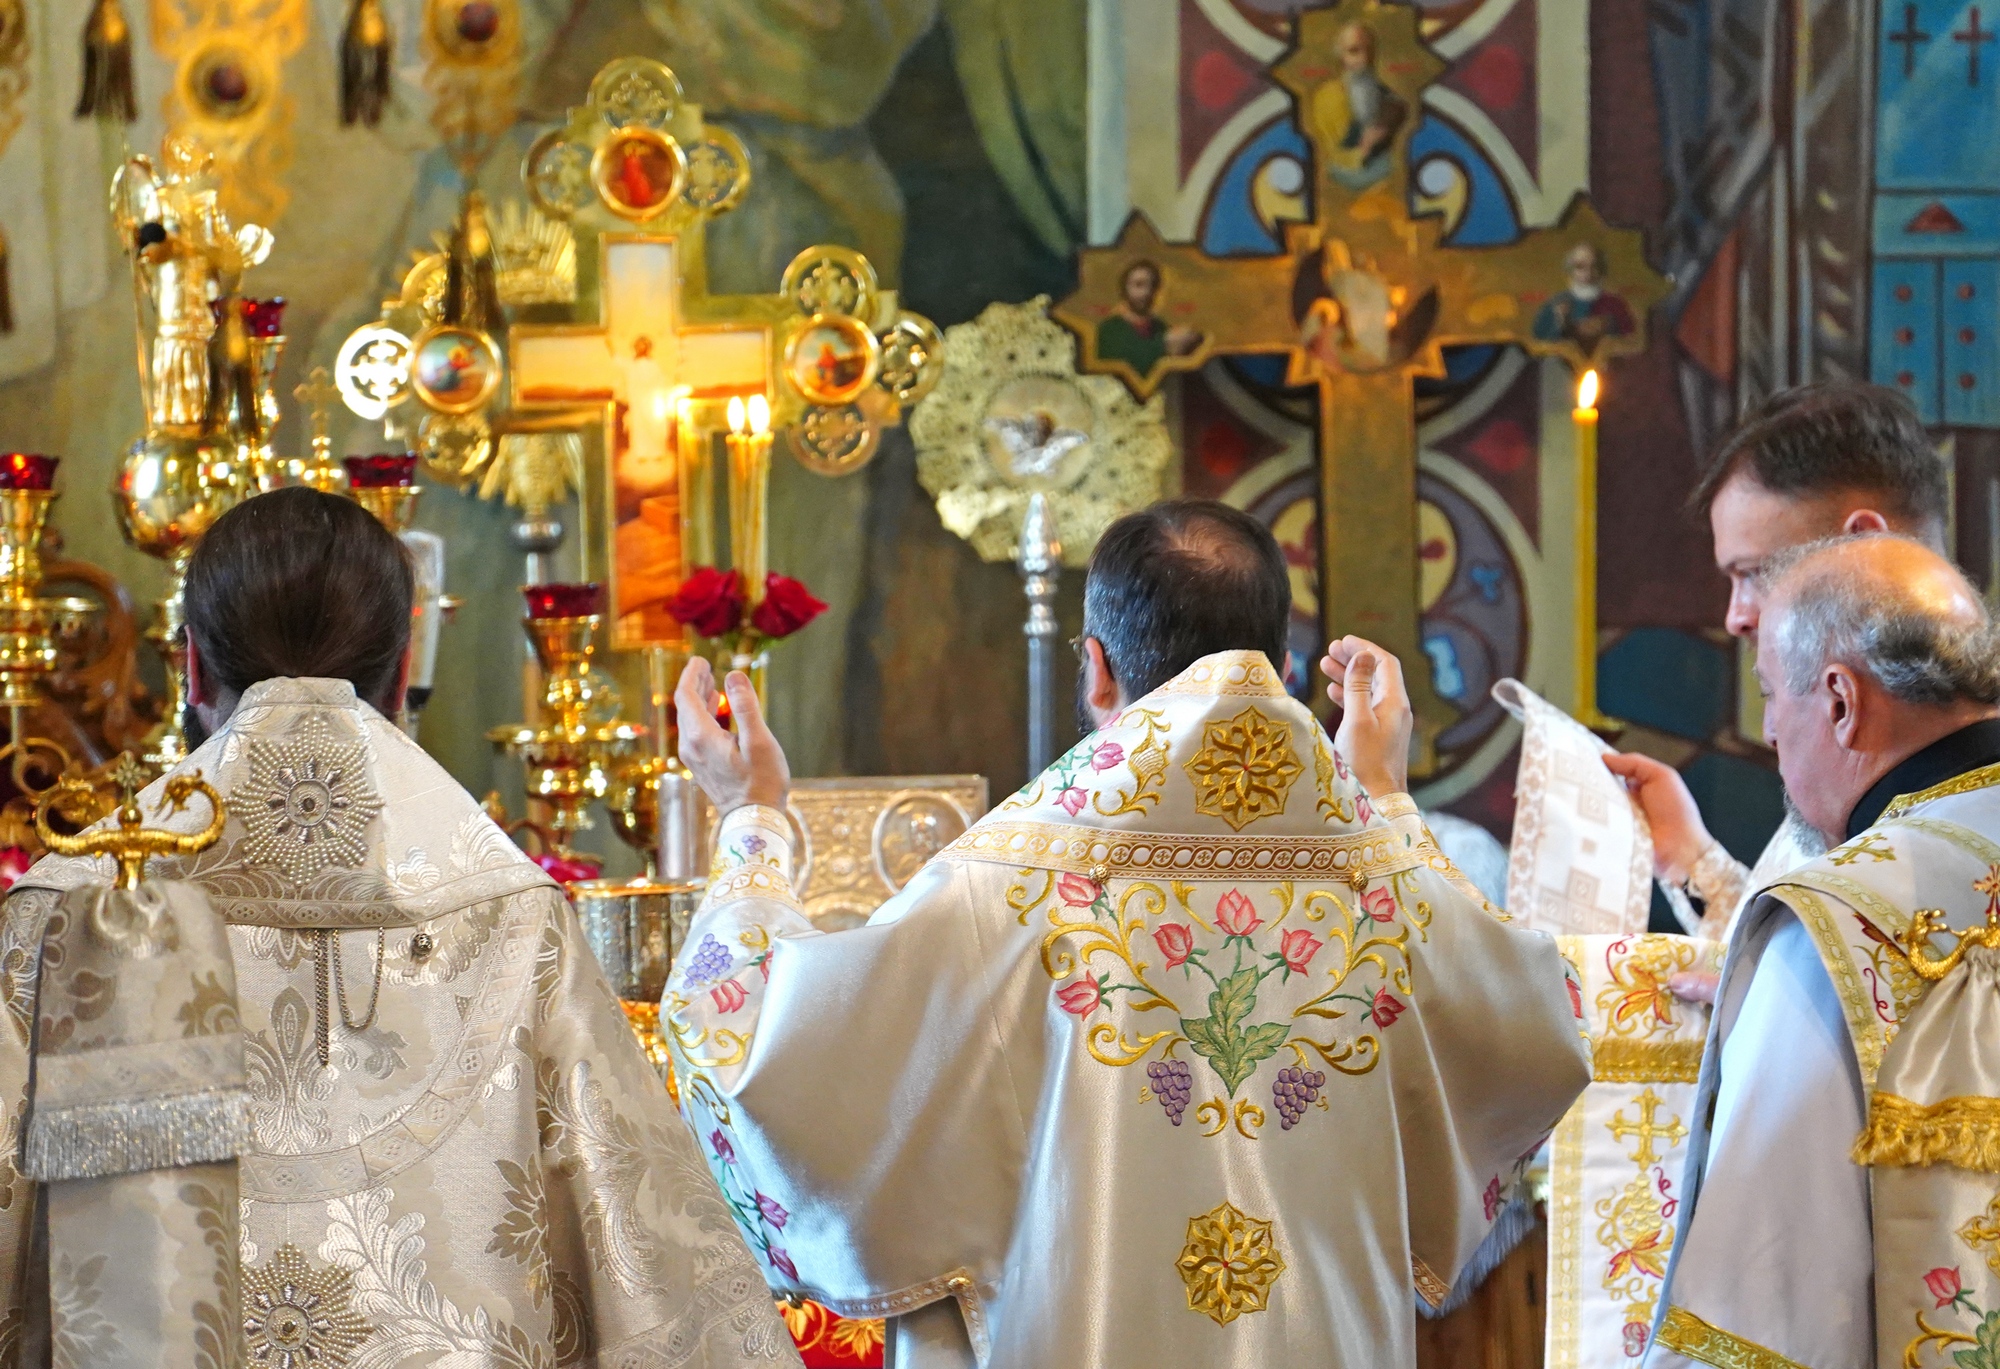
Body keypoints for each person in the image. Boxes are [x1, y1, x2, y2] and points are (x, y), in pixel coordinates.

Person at [664, 498, 1590, 1367]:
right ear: (1282, 662)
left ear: (1097, 667)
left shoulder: (1008, 879)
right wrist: (1383, 796)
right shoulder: (1384, 877)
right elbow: (1539, 1032)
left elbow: (757, 1050)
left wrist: (753, 817)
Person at [0, 487, 795, 1367]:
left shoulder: (64, 909)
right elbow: (656, 1269)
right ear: (406, 660)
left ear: (190, 668)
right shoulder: (511, 908)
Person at [1647, 532, 2000, 1367]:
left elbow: (1760, 1304)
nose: (1770, 728)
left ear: (1840, 701)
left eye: (1770, 692)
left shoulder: (1837, 925)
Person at [1604, 381, 1950, 950]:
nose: (1737, 617)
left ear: (1863, 547)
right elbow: (1815, 951)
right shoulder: (1839, 732)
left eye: (1754, 573)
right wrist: (1694, 860)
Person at [1094, 260, 1202, 377]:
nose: (1146, 292)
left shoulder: (1159, 326)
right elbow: (1128, 363)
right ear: (1124, 289)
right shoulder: (1110, 329)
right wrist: (1165, 345)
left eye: (1152, 286)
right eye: (1139, 285)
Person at [1530, 242, 1636, 353]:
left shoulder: (1615, 304)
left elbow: (1629, 341)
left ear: (1601, 270)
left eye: (1594, 266)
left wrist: (1608, 325)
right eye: (1580, 267)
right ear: (1570, 270)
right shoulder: (1556, 303)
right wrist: (1560, 324)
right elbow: (1540, 345)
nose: (1588, 274)